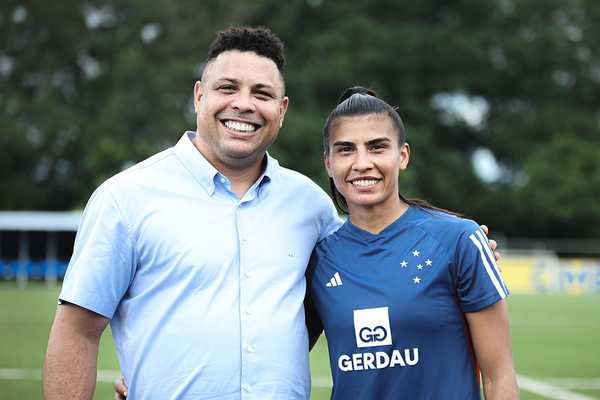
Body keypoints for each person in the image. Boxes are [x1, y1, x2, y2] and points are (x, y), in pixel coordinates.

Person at [43, 25, 500, 400]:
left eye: (261, 93)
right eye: (228, 88)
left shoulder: (312, 206)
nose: (244, 103)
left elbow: (367, 266)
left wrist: (462, 248)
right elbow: (78, 332)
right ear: (199, 95)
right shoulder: (126, 198)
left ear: (280, 111)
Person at [304, 86, 518, 399]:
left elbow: (499, 376)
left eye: (377, 147)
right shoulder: (318, 260)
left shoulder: (459, 241)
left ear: (402, 155)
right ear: (328, 163)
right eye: (346, 149)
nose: (362, 162)